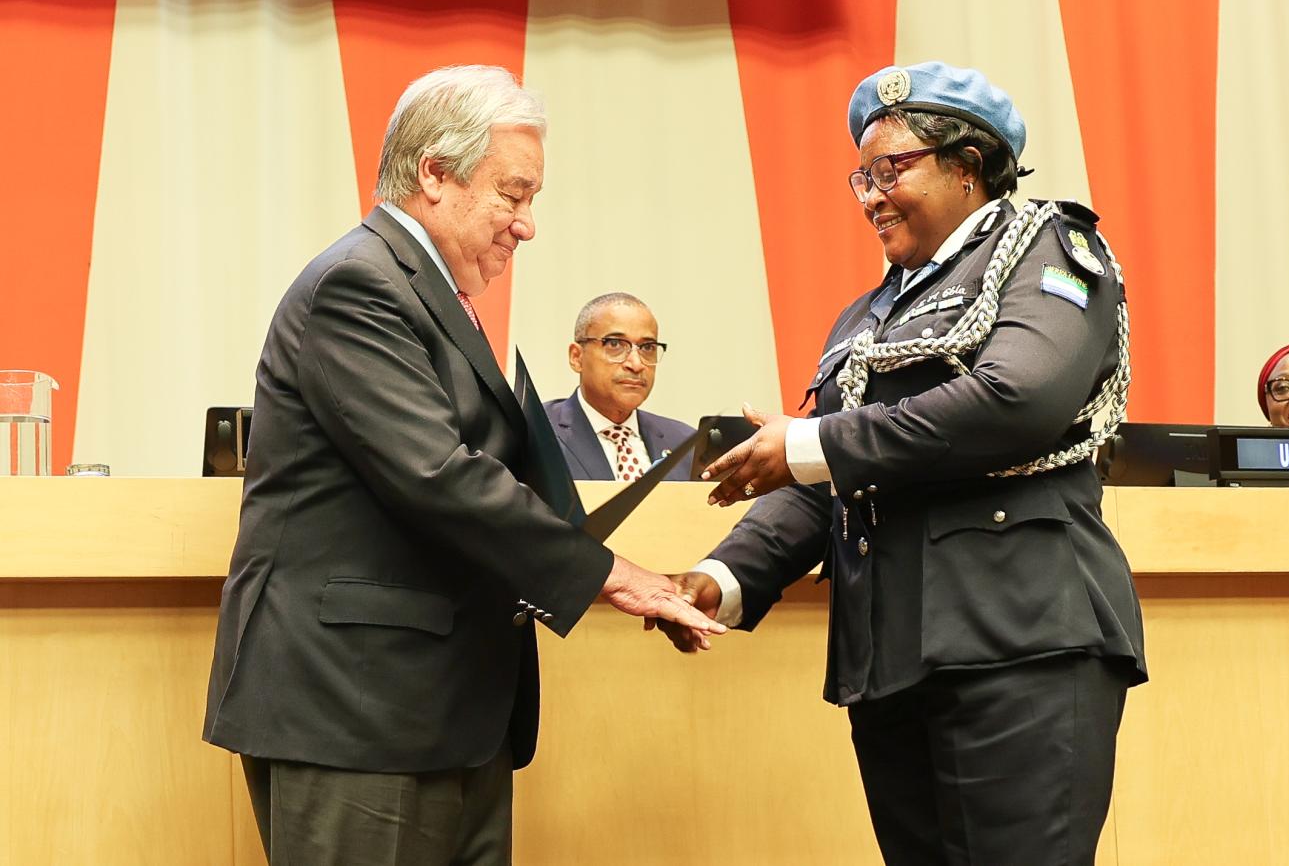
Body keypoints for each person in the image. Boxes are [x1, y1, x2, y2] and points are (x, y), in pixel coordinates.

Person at [202, 65, 723, 866]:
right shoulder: (359, 284)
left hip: (442, 714)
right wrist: (610, 572)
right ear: (434, 175)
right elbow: (437, 474)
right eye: (512, 195)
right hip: (356, 714)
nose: (527, 224)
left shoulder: (428, 291)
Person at [654, 62, 1147, 864]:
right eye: (863, 176)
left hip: (1018, 643)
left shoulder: (1050, 247)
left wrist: (810, 442)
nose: (872, 195)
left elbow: (1019, 398)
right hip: (891, 661)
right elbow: (830, 476)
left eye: (893, 169)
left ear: (969, 166)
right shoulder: (867, 314)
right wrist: (725, 575)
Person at [543, 292, 695, 481]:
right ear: (577, 357)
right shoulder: (536, 432)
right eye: (615, 344)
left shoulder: (686, 443)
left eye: (647, 347)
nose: (636, 364)